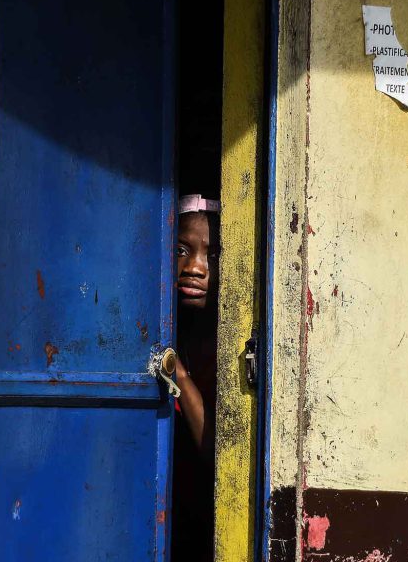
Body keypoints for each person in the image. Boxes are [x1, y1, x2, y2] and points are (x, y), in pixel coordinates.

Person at [171, 193, 221, 562]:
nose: (195, 268)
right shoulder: (163, 323)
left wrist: (178, 373)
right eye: (181, 251)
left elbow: (210, 448)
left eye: (211, 255)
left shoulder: (230, 342)